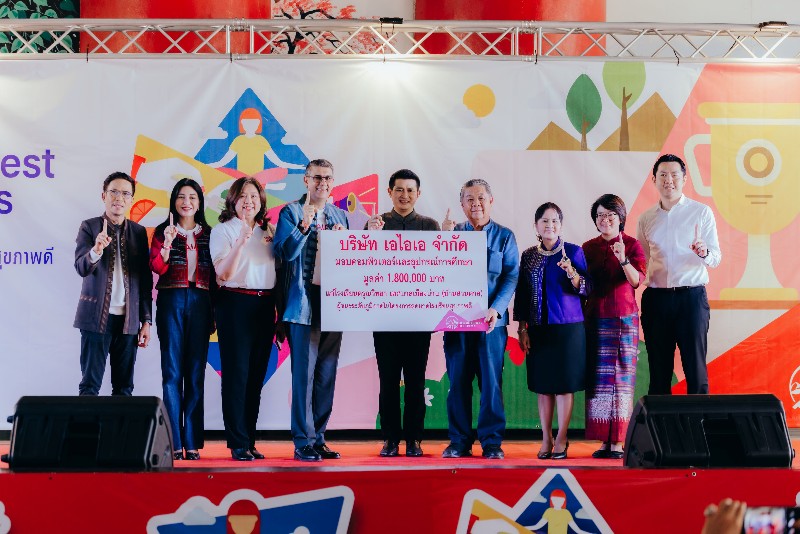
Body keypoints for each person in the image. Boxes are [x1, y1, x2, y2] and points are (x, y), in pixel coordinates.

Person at [273, 159, 349, 462]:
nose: (322, 183)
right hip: (302, 304)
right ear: (306, 180)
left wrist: (347, 239)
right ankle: (302, 440)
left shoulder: (340, 215)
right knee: (303, 377)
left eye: (327, 178)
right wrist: (304, 226)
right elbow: (284, 253)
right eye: (317, 177)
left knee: (326, 375)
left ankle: (318, 437)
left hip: (333, 305)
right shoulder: (291, 212)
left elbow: (350, 261)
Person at [440, 178, 519, 460]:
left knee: (491, 384)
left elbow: (511, 276)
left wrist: (496, 309)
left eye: (481, 198)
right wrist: (443, 240)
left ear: (491, 201)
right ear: (461, 205)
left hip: (491, 324)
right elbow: (436, 271)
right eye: (469, 199)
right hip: (457, 322)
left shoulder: (505, 236)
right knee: (458, 382)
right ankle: (458, 441)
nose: (476, 204)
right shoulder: (451, 233)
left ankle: (491, 442)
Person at [365, 169, 440, 458]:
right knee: (387, 382)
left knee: (416, 382)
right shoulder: (376, 225)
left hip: (419, 320)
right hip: (384, 318)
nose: (404, 195)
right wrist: (369, 237)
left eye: (410, 190)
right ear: (389, 192)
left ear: (418, 194)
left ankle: (414, 439)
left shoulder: (430, 226)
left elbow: (440, 267)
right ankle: (390, 439)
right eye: (399, 189)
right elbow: (361, 265)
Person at [637, 154, 721, 395]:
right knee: (659, 372)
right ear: (654, 180)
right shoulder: (646, 218)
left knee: (695, 370)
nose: (669, 180)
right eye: (663, 175)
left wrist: (704, 252)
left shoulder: (701, 213)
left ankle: (699, 420)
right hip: (656, 300)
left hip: (691, 299)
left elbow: (716, 258)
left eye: (674, 175)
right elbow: (643, 262)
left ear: (684, 179)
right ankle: (661, 421)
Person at [209, 177, 277, 461]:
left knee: (256, 376)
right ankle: (237, 442)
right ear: (233, 200)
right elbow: (222, 274)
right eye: (243, 196)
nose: (249, 201)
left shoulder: (269, 231)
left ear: (261, 201)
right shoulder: (223, 230)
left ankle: (249, 439)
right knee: (236, 375)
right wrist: (240, 242)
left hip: (265, 305)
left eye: (254, 196)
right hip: (234, 303)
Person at [514, 202, 588, 461]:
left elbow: (587, 288)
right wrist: (522, 328)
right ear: (536, 226)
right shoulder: (528, 256)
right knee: (544, 387)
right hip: (538, 329)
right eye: (544, 221)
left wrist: (572, 272)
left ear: (561, 225)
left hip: (569, 329)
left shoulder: (574, 252)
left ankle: (562, 438)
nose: (550, 225)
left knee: (565, 387)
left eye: (555, 220)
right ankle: (546, 438)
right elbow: (522, 294)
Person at [149, 178, 215, 461]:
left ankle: (192, 442)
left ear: (199, 203)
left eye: (192, 197)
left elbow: (217, 274)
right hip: (171, 301)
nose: (186, 202)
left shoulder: (210, 234)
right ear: (174, 201)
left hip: (201, 302)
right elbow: (156, 267)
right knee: (172, 373)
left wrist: (214, 313)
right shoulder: (162, 232)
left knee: (196, 374)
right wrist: (166, 245)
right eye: (181, 197)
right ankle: (174, 441)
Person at [73, 171, 153, 396]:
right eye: (114, 192)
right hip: (94, 317)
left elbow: (144, 280)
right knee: (90, 386)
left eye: (125, 193)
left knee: (124, 388)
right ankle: (87, 422)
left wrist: (146, 320)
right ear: (103, 196)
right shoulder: (89, 227)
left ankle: (120, 424)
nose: (119, 198)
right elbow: (81, 267)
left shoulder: (138, 232)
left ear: (132, 200)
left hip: (129, 321)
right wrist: (96, 250)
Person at [582, 194, 646, 459]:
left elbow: (636, 281)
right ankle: (603, 440)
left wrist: (623, 258)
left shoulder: (631, 244)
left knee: (621, 379)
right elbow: (583, 285)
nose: (605, 220)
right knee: (598, 379)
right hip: (595, 318)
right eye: (600, 215)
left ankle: (618, 441)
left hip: (624, 319)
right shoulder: (588, 247)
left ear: (620, 218)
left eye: (610, 215)